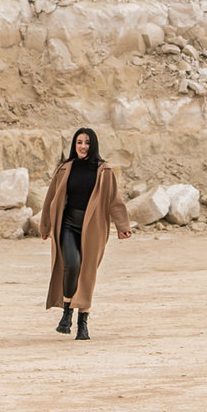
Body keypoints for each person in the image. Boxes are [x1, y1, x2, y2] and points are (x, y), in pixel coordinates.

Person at [41, 126, 130, 340]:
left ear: (93, 145)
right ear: (74, 145)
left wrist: (122, 225)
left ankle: (83, 323)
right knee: (71, 266)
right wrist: (45, 226)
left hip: (94, 229)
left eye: (87, 143)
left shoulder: (104, 171)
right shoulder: (65, 168)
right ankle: (66, 312)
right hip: (68, 226)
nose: (83, 146)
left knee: (87, 273)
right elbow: (50, 198)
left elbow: (113, 200)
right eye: (79, 142)